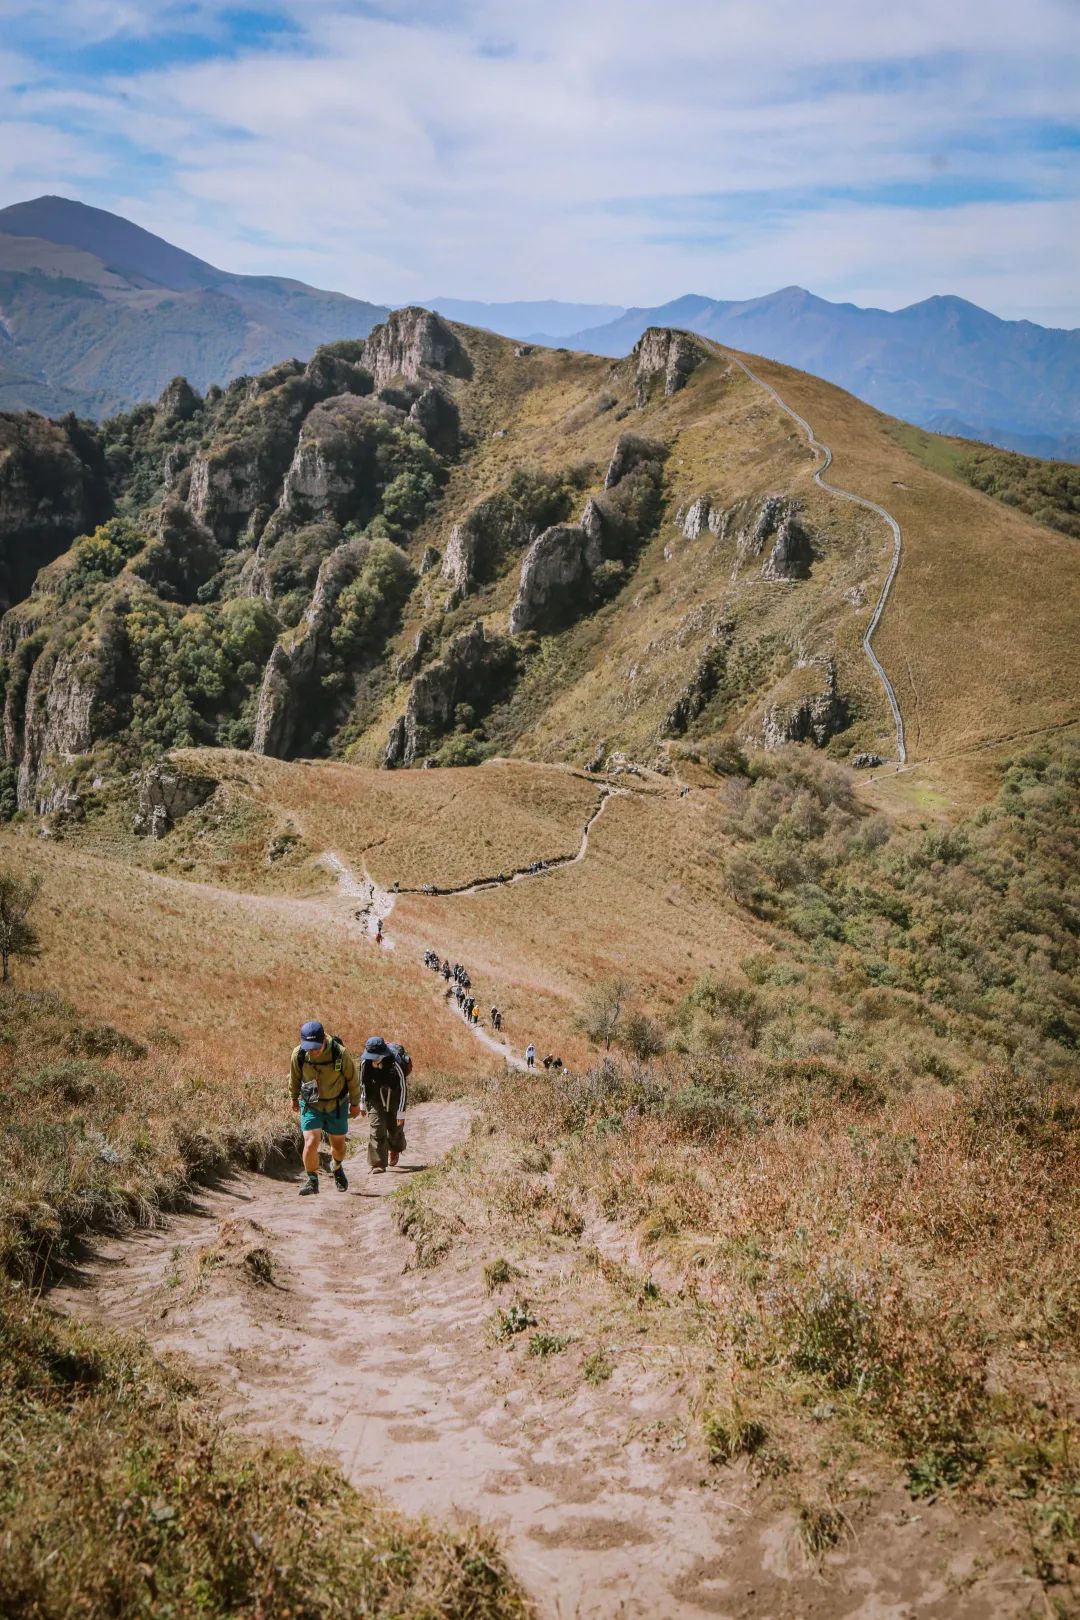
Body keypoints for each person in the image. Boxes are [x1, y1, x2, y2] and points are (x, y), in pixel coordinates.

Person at [290, 1020, 360, 1196]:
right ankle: (312, 1180)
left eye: (316, 1047)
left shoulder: (339, 1053)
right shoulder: (298, 1055)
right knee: (311, 1141)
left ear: (323, 1040)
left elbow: (353, 1080)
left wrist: (355, 1103)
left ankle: (336, 1166)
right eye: (309, 1047)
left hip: (337, 1105)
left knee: (339, 1146)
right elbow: (294, 1078)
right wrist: (293, 1097)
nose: (313, 1051)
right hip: (311, 1104)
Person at [359, 1035, 409, 1172]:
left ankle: (395, 1148)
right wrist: (362, 1104)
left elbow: (403, 1088)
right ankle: (378, 1164)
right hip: (374, 1097)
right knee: (377, 1128)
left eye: (376, 1056)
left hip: (394, 1097)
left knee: (395, 1130)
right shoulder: (365, 1063)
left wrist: (401, 1113)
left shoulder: (395, 1064)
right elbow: (362, 1084)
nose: (373, 1059)